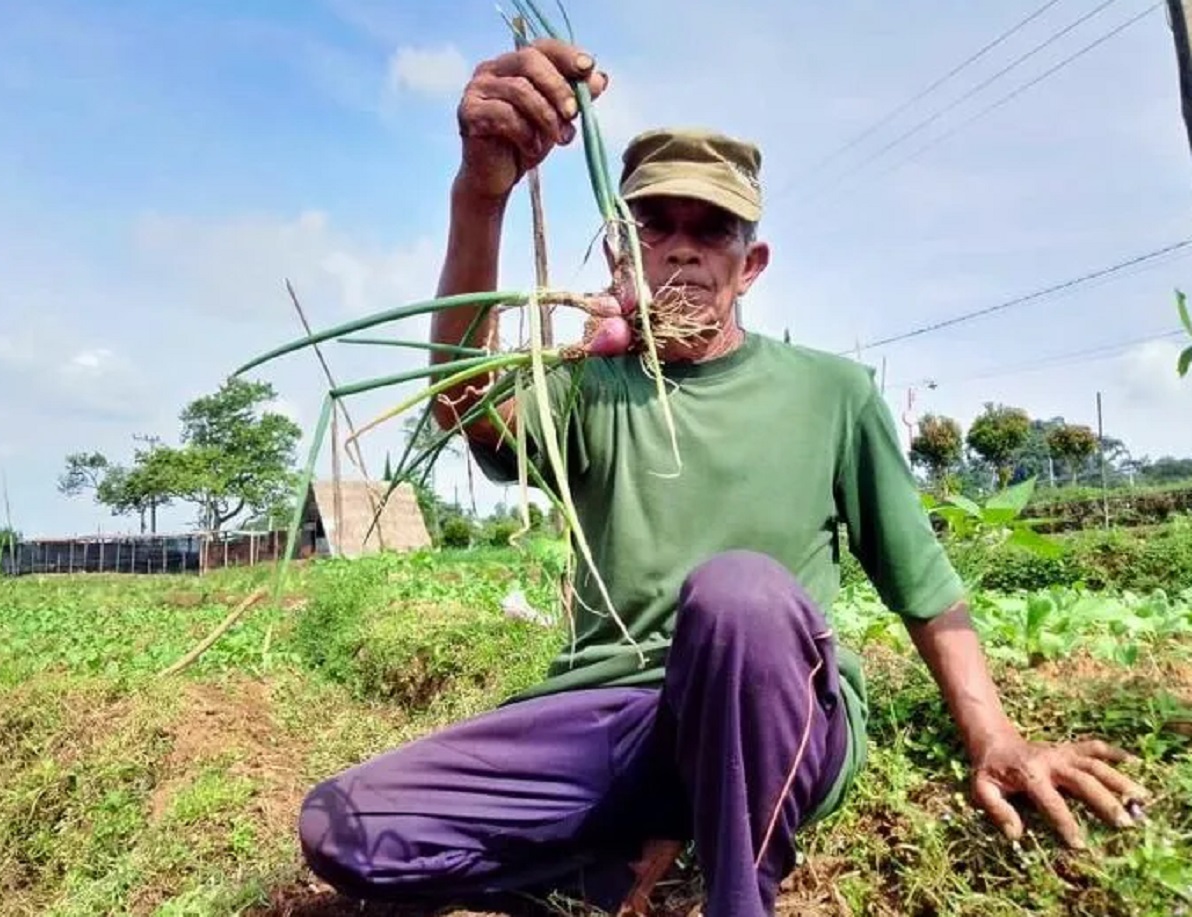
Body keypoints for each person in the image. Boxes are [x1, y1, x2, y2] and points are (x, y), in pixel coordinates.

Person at [297, 38, 1149, 917]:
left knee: (737, 593)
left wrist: (996, 736)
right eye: (654, 227)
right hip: (614, 720)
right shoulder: (589, 385)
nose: (684, 251)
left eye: (713, 231)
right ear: (620, 257)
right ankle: (608, 852)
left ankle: (740, 896)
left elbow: (925, 588)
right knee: (344, 824)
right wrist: (481, 195)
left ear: (752, 264)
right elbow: (464, 400)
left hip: (773, 713)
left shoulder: (832, 392)